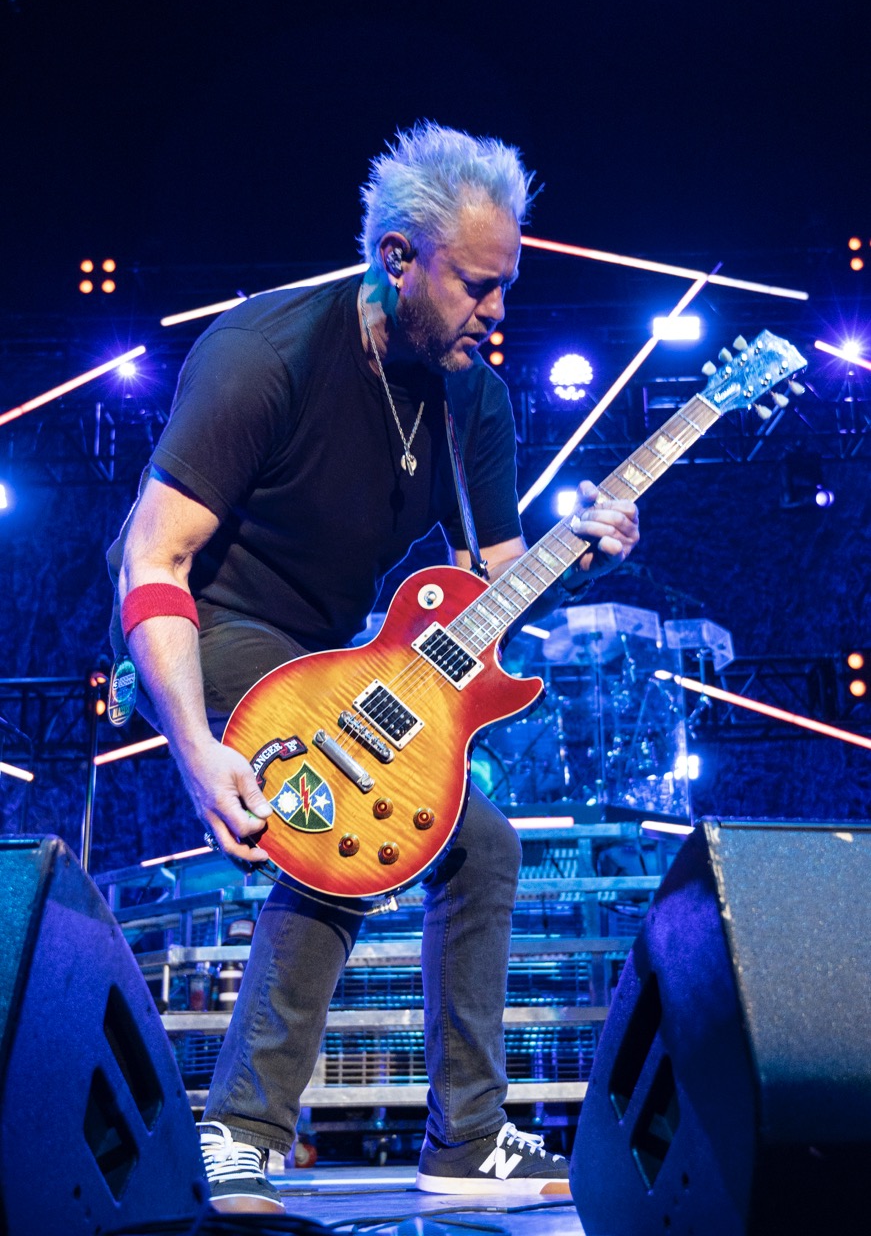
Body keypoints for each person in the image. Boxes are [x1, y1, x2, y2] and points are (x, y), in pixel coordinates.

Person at [110, 122, 640, 1213]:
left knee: (479, 844)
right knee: (344, 817)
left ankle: (465, 1140)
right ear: (399, 258)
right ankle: (237, 1133)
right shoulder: (266, 354)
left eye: (508, 284)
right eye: (477, 285)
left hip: (334, 647)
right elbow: (152, 559)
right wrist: (196, 746)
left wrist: (578, 556)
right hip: (211, 621)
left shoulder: (470, 396)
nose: (498, 311)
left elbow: (495, 584)